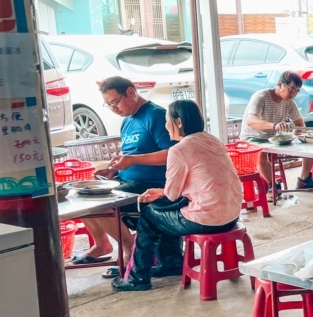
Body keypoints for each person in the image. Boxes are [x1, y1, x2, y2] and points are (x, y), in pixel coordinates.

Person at [111, 101, 242, 292]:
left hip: (207, 220)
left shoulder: (179, 150)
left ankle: (137, 278)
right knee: (166, 211)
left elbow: (172, 195)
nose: (165, 126)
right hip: (231, 214)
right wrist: (161, 192)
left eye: (167, 121)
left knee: (150, 214)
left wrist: (158, 195)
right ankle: (171, 263)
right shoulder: (212, 140)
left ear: (178, 122)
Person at [73, 77, 176, 274]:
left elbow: (172, 154)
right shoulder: (127, 121)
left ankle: (132, 251)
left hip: (151, 185)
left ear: (130, 92)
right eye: (109, 105)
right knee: (82, 194)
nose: (114, 108)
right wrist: (114, 170)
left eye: (115, 102)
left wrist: (134, 160)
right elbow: (130, 154)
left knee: (94, 204)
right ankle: (101, 244)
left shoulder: (155, 116)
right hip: (128, 180)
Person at [240, 71, 313, 190]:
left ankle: (304, 180)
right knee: (261, 155)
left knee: (311, 143)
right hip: (252, 137)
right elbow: (250, 120)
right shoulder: (261, 97)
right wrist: (274, 126)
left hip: (273, 139)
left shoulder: (289, 103)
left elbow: (299, 124)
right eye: (291, 89)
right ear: (280, 84)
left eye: (297, 91)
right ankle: (273, 186)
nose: (293, 94)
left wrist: (297, 139)